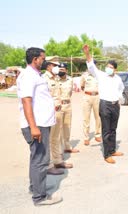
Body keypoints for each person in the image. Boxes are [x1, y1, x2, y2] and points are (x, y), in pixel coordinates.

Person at [17, 47, 62, 206]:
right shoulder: (28, 76)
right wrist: (34, 127)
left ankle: (35, 187)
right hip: (37, 125)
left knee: (36, 159)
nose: (44, 61)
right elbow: (26, 101)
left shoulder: (35, 75)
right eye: (42, 59)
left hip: (41, 123)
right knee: (41, 161)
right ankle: (39, 197)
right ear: (35, 59)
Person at [83, 44, 125, 164]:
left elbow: (121, 90)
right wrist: (87, 53)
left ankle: (112, 150)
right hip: (105, 105)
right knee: (106, 130)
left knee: (113, 129)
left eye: (111, 67)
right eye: (107, 67)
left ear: (115, 69)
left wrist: (119, 101)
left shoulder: (118, 79)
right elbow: (91, 65)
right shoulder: (101, 75)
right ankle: (107, 154)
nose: (108, 69)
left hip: (115, 105)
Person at [42, 61, 66, 175]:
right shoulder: (44, 78)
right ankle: (49, 165)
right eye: (54, 65)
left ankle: (57, 161)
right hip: (50, 112)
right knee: (49, 139)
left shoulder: (55, 78)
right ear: (48, 66)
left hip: (58, 110)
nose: (57, 67)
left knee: (55, 138)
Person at [57, 63, 79, 154]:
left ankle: (67, 147)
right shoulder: (55, 79)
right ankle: (59, 151)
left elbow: (70, 93)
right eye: (59, 69)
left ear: (66, 70)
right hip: (58, 106)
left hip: (68, 105)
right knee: (58, 128)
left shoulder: (70, 80)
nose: (61, 71)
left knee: (67, 127)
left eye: (62, 70)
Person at [80, 69, 102, 146]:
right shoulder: (84, 75)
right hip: (87, 97)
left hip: (97, 96)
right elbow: (82, 86)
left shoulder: (99, 75)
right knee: (86, 118)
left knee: (98, 117)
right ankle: (86, 137)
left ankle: (97, 135)